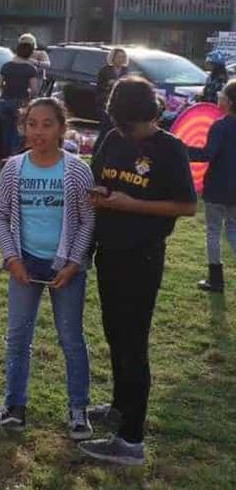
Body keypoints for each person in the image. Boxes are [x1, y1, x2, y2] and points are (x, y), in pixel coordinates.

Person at [80, 76, 197, 465]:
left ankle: (131, 442)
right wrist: (99, 195)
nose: (120, 127)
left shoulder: (170, 149)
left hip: (141, 257)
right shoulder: (113, 140)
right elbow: (100, 179)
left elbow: (185, 206)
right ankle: (119, 407)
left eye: (124, 120)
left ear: (142, 114)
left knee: (133, 344)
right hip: (109, 252)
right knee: (115, 334)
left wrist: (132, 205)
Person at [0, 98, 95, 439]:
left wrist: (72, 263)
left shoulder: (76, 170)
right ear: (23, 127)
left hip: (65, 269)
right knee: (17, 338)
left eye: (47, 124)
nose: (39, 132)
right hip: (24, 264)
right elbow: (0, 216)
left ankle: (78, 410)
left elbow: (87, 220)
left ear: (61, 128)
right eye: (32, 124)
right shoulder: (14, 167)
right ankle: (14, 408)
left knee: (71, 338)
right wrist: (12, 259)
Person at [186, 78, 236, 293]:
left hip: (217, 187)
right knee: (233, 230)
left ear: (230, 102)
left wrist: (181, 147)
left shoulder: (220, 126)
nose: (219, 97)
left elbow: (207, 154)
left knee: (214, 232)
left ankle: (215, 279)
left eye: (222, 95)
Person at [0, 37, 39, 158]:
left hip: (5, 100)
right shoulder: (30, 69)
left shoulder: (6, 66)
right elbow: (34, 89)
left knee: (6, 130)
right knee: (18, 131)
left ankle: (4, 156)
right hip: (21, 102)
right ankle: (14, 156)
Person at [96, 47, 129, 128]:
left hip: (121, 102)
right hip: (106, 101)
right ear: (113, 58)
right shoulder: (104, 70)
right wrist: (109, 84)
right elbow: (99, 87)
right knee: (107, 125)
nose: (121, 59)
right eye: (119, 57)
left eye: (123, 57)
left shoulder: (126, 70)